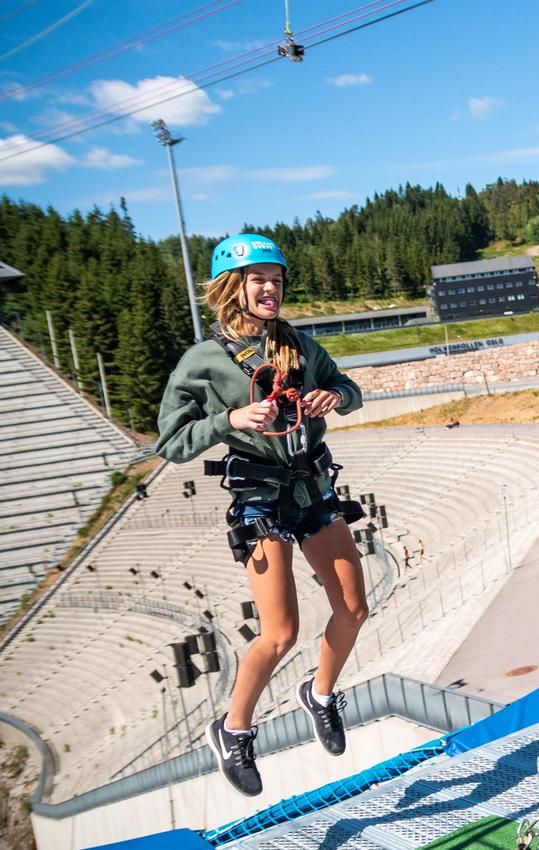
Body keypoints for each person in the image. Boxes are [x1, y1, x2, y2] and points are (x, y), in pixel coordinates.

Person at [156, 234, 367, 797]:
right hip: (260, 498)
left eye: (275, 278)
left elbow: (349, 389)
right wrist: (229, 420)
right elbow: (171, 443)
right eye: (258, 279)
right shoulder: (203, 360)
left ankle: (319, 695)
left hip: (313, 489)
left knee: (353, 608)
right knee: (280, 632)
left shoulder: (299, 345)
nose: (270, 288)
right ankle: (233, 730)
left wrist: (335, 398)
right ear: (234, 287)